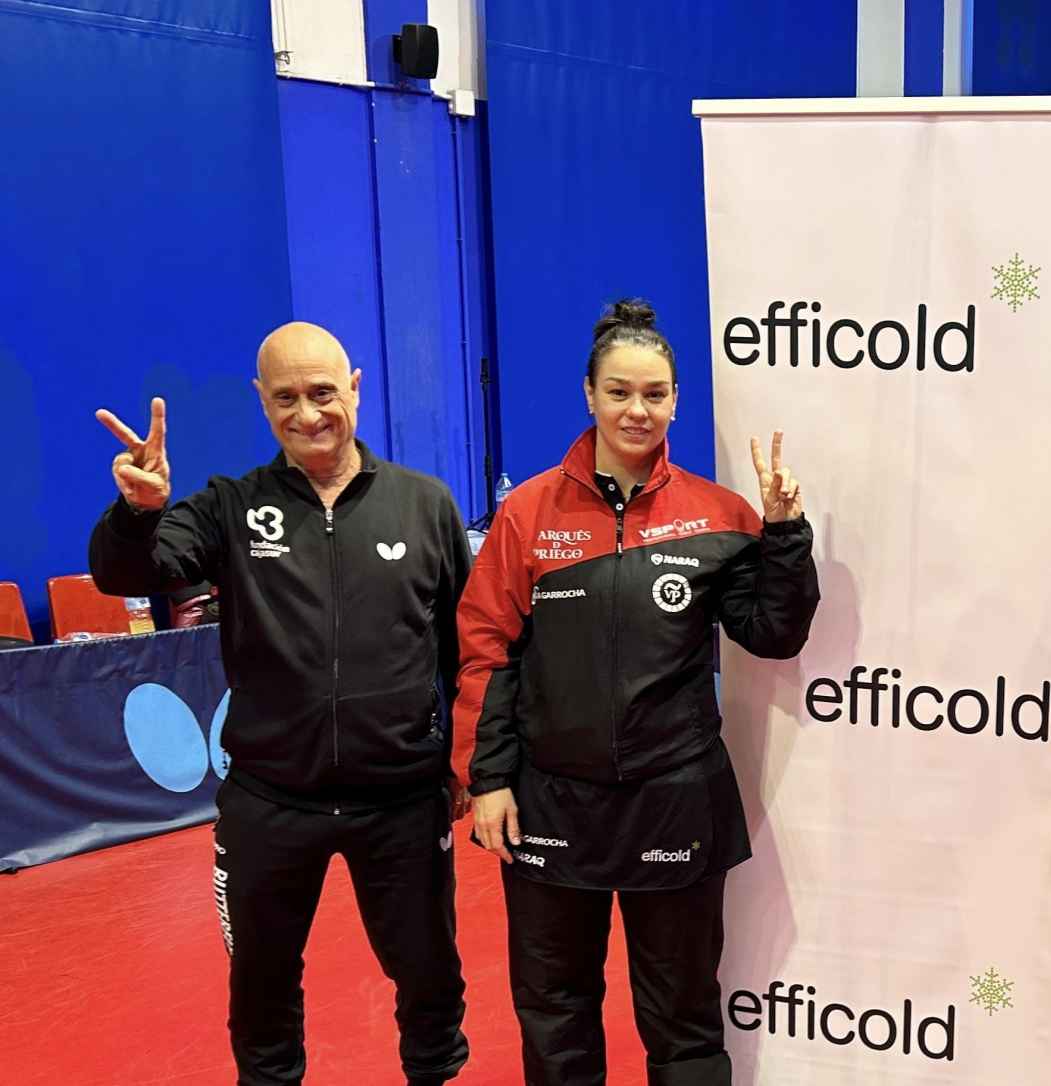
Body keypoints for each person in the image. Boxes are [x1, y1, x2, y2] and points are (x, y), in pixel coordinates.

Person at [89, 321, 473, 1086]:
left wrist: (468, 758)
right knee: (262, 991)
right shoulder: (229, 507)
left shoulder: (424, 505)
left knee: (430, 982)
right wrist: (139, 511)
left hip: (400, 800)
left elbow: (463, 647)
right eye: (287, 398)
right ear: (261, 402)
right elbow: (129, 574)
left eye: (323, 393)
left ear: (355, 388)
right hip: (270, 801)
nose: (308, 414)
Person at [455, 299, 819, 1086]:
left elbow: (774, 633)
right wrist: (487, 780)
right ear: (588, 393)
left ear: (677, 401)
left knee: (684, 1021)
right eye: (619, 391)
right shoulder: (526, 515)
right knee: (555, 1013)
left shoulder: (721, 516)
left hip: (675, 799)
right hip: (552, 805)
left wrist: (785, 532)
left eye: (654, 394)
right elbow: (486, 651)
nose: (636, 409)